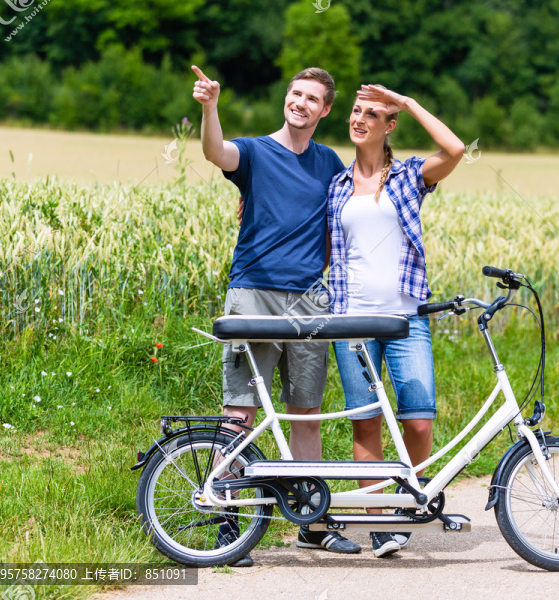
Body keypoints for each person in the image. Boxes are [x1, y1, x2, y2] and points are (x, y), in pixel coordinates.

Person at [191, 64, 362, 566]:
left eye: (312, 98)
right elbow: (214, 152)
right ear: (285, 98)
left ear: (325, 110)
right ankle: (228, 520)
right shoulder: (254, 152)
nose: (300, 103)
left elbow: (348, 214)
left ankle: (309, 519)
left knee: (305, 411)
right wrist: (209, 107)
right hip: (253, 295)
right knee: (240, 412)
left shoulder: (330, 162)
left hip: (310, 301)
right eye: (295, 94)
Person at [327, 84, 465, 557]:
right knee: (366, 423)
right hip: (352, 323)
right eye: (355, 111)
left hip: (406, 320)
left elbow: (456, 149)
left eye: (372, 114)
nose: (359, 118)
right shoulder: (338, 186)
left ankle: (408, 502)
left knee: (419, 418)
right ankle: (380, 522)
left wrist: (405, 102)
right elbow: (322, 248)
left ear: (389, 127)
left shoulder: (408, 177)